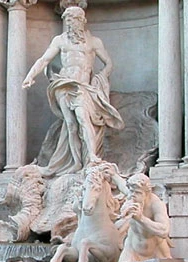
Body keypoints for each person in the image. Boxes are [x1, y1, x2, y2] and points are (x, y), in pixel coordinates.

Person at [23, 6, 124, 176]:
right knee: (70, 124)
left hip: (82, 87)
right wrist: (30, 76)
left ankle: (92, 157)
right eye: (67, 20)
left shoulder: (93, 42)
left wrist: (100, 78)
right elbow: (44, 59)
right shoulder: (60, 40)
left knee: (83, 119)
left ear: (81, 21)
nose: (69, 23)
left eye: (72, 20)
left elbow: (108, 63)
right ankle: (77, 162)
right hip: (63, 85)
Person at [115, 173, 173, 262]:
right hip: (132, 248)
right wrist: (112, 174)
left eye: (137, 192)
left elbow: (164, 231)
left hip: (156, 250)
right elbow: (121, 185)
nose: (133, 195)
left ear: (147, 193)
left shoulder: (156, 204)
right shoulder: (131, 197)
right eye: (131, 191)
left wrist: (141, 218)